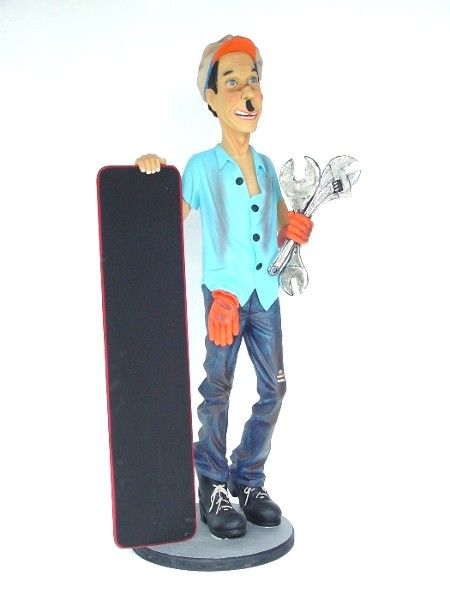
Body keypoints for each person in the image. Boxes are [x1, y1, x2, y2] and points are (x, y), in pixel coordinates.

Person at [135, 35, 313, 539]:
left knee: (274, 388)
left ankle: (248, 477)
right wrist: (149, 178)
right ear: (211, 99)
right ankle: (212, 484)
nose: (246, 93)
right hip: (226, 301)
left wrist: (294, 229)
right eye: (232, 83)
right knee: (217, 390)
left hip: (266, 295)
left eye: (252, 80)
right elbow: (162, 223)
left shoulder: (268, 166)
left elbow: (280, 226)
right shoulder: (200, 167)